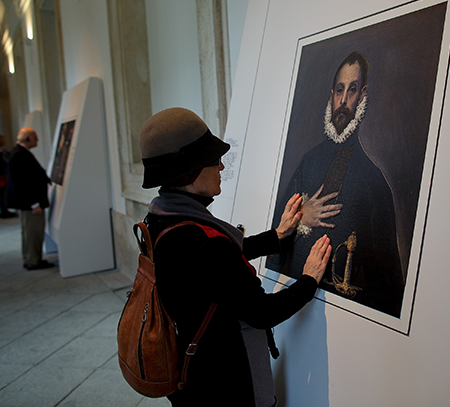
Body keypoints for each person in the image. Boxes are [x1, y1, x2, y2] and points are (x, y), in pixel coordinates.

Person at [139, 107, 332, 406]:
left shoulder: (160, 219)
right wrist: (308, 280)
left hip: (191, 380)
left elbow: (213, 270)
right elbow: (262, 312)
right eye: (214, 160)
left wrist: (276, 237)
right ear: (189, 171)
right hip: (227, 386)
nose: (221, 168)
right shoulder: (204, 243)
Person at [267, 51, 406, 318]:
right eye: (339, 90)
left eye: (352, 91)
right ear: (331, 96)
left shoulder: (375, 184)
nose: (343, 101)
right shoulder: (308, 162)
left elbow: (390, 291)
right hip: (290, 306)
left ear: (362, 96)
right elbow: (274, 236)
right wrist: (301, 216)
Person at [7, 128, 53, 270]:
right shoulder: (19, 154)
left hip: (30, 202)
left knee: (30, 232)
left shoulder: (20, 153)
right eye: (35, 138)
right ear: (27, 138)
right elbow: (22, 183)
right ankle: (33, 260)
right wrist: (34, 203)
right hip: (31, 204)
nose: (37, 141)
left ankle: (31, 258)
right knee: (34, 232)